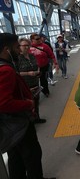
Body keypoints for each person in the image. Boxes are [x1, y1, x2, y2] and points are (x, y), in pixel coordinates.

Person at [0, 33, 55, 179]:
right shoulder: (5, 70)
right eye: (16, 47)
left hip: (10, 126)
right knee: (32, 155)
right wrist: (28, 103)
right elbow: (3, 103)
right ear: (6, 49)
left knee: (15, 158)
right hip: (18, 124)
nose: (19, 50)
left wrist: (24, 93)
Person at [17, 38, 46, 123]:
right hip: (25, 85)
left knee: (36, 102)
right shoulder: (18, 59)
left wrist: (38, 71)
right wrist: (27, 73)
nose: (26, 47)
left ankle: (37, 117)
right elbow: (16, 73)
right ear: (19, 47)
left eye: (28, 45)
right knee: (28, 104)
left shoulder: (32, 56)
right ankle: (29, 120)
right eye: (24, 45)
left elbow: (37, 66)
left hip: (35, 82)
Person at [29, 33, 59, 97]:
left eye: (39, 38)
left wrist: (55, 63)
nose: (39, 40)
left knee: (43, 80)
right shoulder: (28, 47)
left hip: (43, 66)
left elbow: (51, 55)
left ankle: (46, 91)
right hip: (33, 68)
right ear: (32, 40)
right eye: (37, 39)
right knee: (34, 82)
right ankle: (35, 95)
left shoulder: (45, 46)